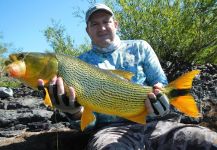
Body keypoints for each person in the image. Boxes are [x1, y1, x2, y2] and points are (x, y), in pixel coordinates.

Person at [38, 3, 217, 150]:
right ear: (87, 30)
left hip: (157, 125)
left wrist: (164, 102)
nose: (101, 27)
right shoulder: (78, 64)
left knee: (208, 140)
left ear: (116, 24)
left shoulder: (141, 47)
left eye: (106, 21)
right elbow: (89, 124)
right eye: (94, 24)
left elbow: (160, 83)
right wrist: (74, 113)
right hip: (109, 131)